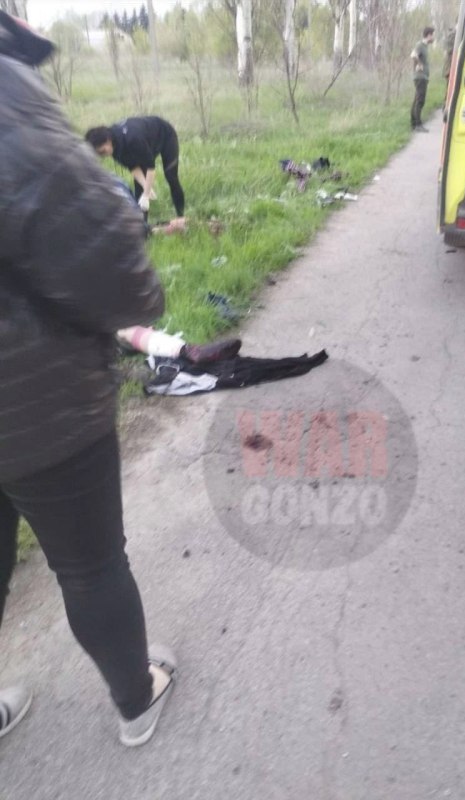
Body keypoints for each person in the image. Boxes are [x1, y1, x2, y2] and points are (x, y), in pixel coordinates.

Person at [0, 11, 176, 747]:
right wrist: (141, 302)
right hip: (32, 397)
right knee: (91, 565)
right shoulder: (7, 96)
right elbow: (98, 250)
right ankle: (136, 698)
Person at [85, 116, 185, 219]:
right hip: (145, 141)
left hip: (165, 134)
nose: (104, 155)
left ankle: (180, 216)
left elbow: (150, 167)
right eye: (99, 154)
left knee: (171, 176)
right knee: (139, 187)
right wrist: (145, 186)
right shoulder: (114, 149)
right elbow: (133, 167)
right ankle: (143, 225)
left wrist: (146, 194)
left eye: (103, 152)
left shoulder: (133, 139)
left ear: (108, 141)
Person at [410, 25, 435, 132]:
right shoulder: (420, 45)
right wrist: (419, 64)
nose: (433, 38)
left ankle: (413, 123)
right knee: (420, 100)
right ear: (428, 35)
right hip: (420, 77)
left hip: (422, 77)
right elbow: (413, 55)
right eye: (432, 35)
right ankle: (418, 124)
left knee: (416, 100)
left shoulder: (424, 47)